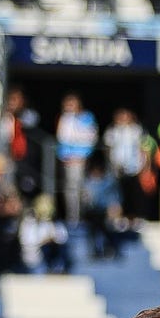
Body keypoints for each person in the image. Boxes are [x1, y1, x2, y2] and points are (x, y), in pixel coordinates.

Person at [54, 93, 98, 225]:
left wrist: (83, 156)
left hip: (79, 160)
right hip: (66, 159)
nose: (69, 106)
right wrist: (63, 156)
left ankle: (81, 217)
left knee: (80, 189)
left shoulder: (87, 117)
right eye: (67, 104)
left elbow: (91, 138)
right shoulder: (64, 118)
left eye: (71, 103)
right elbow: (61, 138)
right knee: (69, 189)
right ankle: (72, 217)